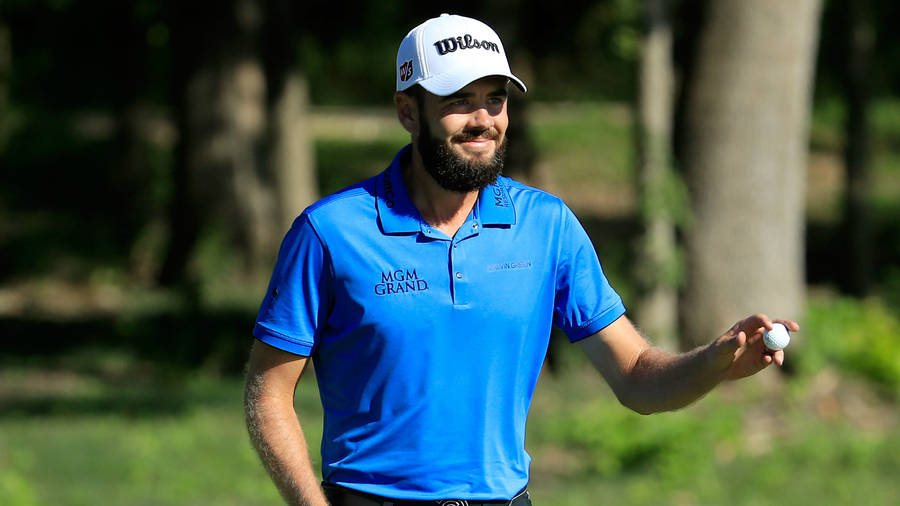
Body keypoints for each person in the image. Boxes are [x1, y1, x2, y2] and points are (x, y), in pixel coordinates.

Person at [244, 13, 800, 506]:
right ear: (408, 111)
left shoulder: (546, 225)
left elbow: (634, 377)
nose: (483, 119)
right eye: (458, 101)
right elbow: (268, 395)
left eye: (495, 99)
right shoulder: (331, 232)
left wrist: (713, 362)